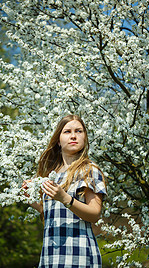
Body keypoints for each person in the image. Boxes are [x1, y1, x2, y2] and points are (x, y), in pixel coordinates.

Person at [22, 114, 107, 268]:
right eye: (67, 132)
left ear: (85, 138)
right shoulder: (51, 175)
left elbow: (94, 214)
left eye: (79, 131)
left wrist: (65, 198)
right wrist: (31, 200)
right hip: (51, 256)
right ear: (58, 141)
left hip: (78, 255)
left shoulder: (89, 170)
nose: (73, 136)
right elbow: (52, 213)